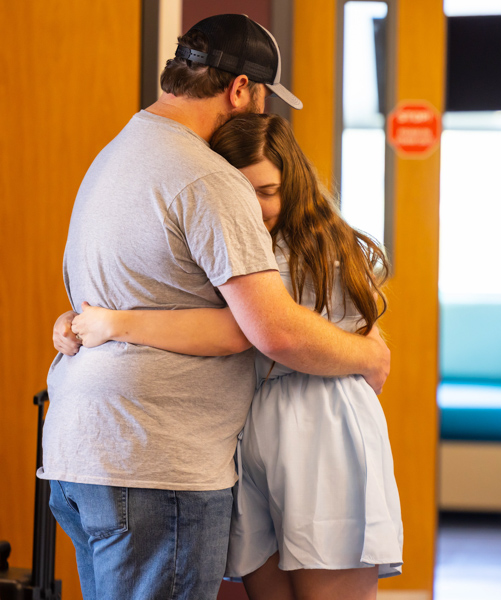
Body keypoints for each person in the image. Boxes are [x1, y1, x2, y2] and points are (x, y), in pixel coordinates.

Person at [44, 14, 389, 600]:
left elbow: (97, 298)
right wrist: (368, 355)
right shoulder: (205, 177)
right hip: (156, 464)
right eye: (261, 98)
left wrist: (80, 324)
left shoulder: (113, 158)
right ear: (239, 89)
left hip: (84, 451)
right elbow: (268, 330)